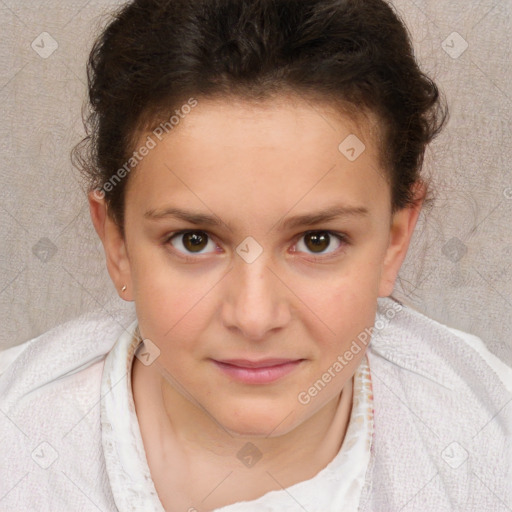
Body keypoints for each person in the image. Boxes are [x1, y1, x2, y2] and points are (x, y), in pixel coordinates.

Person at [1, 0, 511, 510]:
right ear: (118, 245)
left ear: (394, 241)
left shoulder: (489, 433)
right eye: (194, 240)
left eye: (317, 240)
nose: (254, 317)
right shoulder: (17, 448)